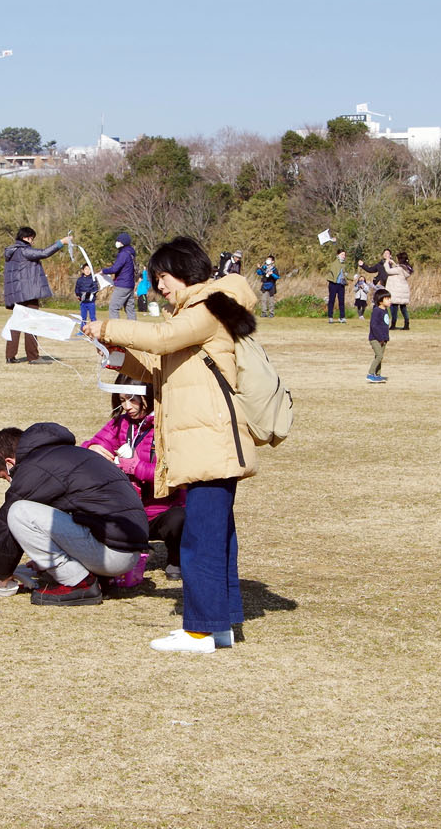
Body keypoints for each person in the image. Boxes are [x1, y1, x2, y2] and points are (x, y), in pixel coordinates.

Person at [83, 236, 259, 653]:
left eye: (161, 277)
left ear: (183, 270)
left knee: (201, 538)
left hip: (210, 444)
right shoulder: (192, 314)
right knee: (215, 537)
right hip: (204, 444)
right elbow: (158, 368)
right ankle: (219, 624)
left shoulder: (209, 306)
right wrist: (116, 354)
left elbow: (162, 339)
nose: (159, 286)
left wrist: (105, 324)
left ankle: (200, 629)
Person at [0, 423, 149, 607]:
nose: (9, 482)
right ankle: (97, 578)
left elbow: (5, 522)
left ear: (9, 463)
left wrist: (2, 574)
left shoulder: (34, 468)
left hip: (112, 554)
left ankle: (79, 583)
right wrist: (45, 554)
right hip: (126, 551)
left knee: (18, 511)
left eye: (4, 477)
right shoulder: (70, 456)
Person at [82, 381, 181, 585]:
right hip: (127, 510)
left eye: (132, 400)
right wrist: (91, 448)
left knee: (181, 518)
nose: (127, 406)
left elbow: (177, 474)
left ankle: (177, 558)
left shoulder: (169, 426)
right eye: (122, 400)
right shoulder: (121, 423)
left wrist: (136, 467)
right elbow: (94, 443)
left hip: (162, 510)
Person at [2, 225, 71, 365]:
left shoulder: (12, 253)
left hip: (17, 294)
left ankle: (10, 356)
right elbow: (44, 253)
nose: (33, 242)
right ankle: (33, 357)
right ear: (26, 238)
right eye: (32, 239)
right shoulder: (24, 251)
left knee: (16, 325)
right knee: (32, 324)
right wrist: (61, 242)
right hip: (28, 294)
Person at [100, 232, 137, 321]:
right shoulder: (131, 253)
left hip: (122, 285)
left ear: (122, 242)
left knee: (113, 307)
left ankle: (115, 329)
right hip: (130, 284)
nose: (116, 243)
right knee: (130, 309)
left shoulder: (123, 254)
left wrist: (103, 271)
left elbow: (115, 268)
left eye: (118, 241)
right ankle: (134, 330)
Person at [384, 251, 413, 330]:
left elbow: (388, 271)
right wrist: (393, 262)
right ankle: (406, 324)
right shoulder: (405, 268)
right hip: (403, 290)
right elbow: (397, 268)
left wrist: (386, 262)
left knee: (394, 308)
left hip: (396, 290)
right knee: (403, 308)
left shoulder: (399, 269)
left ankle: (393, 324)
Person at [367, 288, 391, 383]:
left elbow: (384, 325)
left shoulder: (385, 311)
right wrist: (380, 338)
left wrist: (385, 338)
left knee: (380, 357)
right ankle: (370, 374)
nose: (390, 301)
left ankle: (377, 375)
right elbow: (374, 326)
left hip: (383, 339)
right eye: (387, 299)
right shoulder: (377, 311)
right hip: (375, 338)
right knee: (379, 356)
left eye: (390, 298)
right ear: (380, 301)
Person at [326, 249, 349, 324]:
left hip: (341, 285)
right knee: (332, 300)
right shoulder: (334, 263)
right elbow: (334, 272)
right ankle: (330, 317)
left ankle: (342, 317)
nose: (344, 256)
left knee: (341, 301)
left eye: (344, 255)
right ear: (338, 255)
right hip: (333, 284)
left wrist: (352, 277)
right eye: (342, 254)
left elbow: (345, 274)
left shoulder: (344, 264)